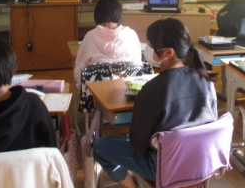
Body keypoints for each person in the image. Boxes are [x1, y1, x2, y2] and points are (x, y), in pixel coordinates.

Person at [93, 18, 218, 187]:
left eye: (152, 45)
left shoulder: (152, 89)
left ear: (168, 53)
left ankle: (132, 185)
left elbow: (137, 146)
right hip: (203, 162)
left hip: (163, 167)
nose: (148, 48)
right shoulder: (207, 81)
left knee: (101, 147)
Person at [73, 0, 142, 86]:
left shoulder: (89, 36)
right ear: (119, 14)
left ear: (97, 15)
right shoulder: (132, 35)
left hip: (95, 95)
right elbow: (138, 66)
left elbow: (79, 72)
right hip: (128, 93)